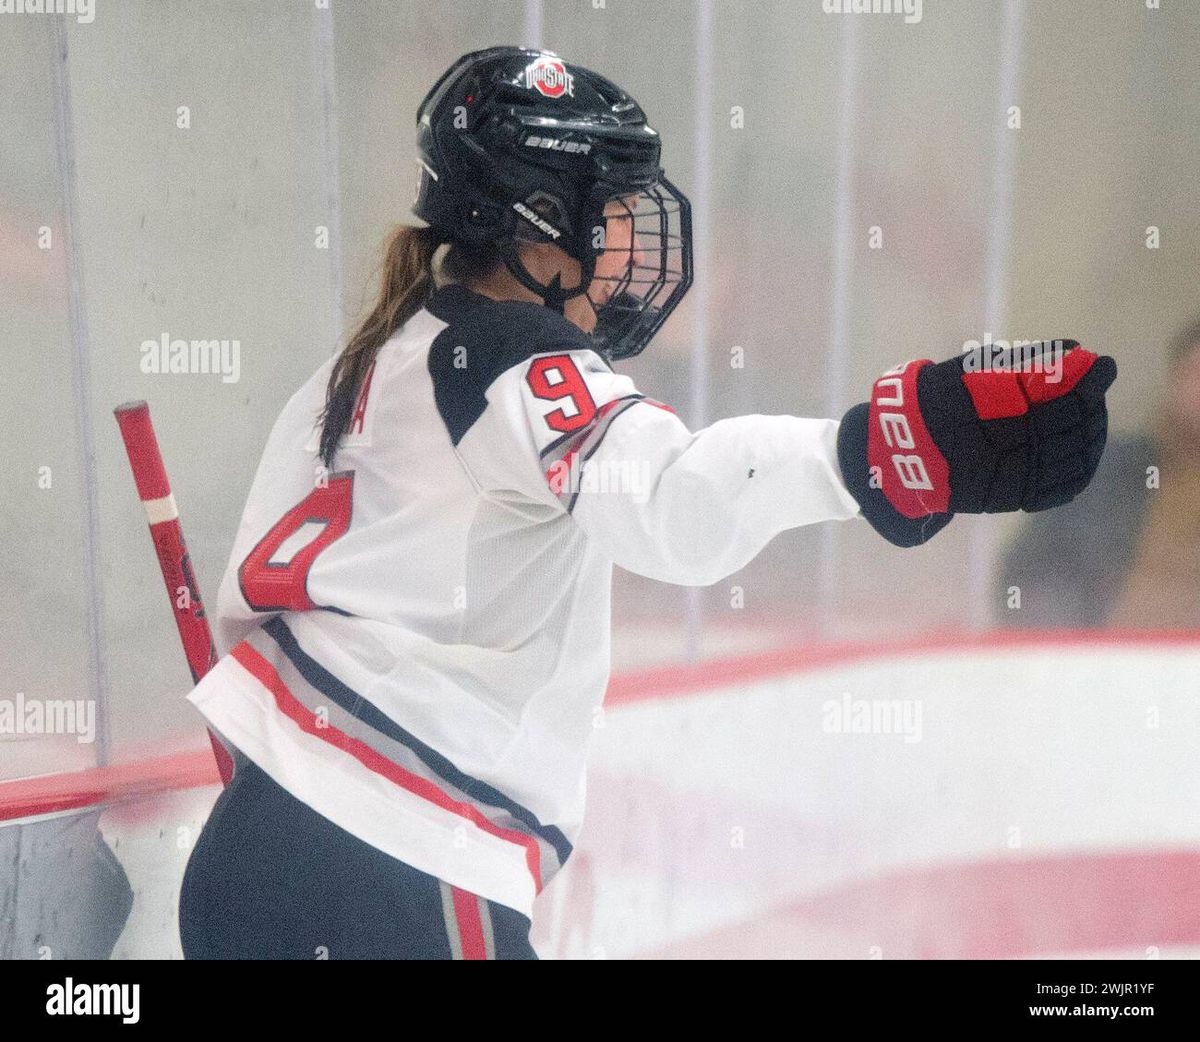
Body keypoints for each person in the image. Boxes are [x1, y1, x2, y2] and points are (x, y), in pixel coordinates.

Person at [177, 46, 1116, 959]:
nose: (636, 246)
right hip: (400, 859)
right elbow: (669, 501)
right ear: (540, 224)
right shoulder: (515, 356)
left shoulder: (371, 362)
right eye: (614, 214)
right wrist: (874, 449)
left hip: (250, 849)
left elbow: (257, 601)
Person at [997, 318, 1200, 629]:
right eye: (1195, 375)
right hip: (1103, 660)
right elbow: (1026, 571)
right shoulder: (1108, 472)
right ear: (1174, 381)